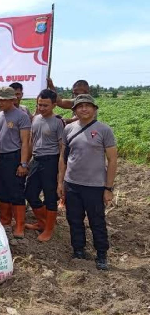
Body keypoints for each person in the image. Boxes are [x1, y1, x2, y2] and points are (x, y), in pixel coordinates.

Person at [58, 94, 117, 270]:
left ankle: (101, 254)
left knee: (96, 221)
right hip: (72, 183)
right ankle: (78, 250)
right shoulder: (68, 129)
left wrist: (108, 188)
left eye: (88, 105)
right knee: (74, 219)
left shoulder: (104, 130)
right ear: (74, 110)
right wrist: (61, 183)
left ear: (94, 109)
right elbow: (63, 158)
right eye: (80, 106)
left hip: (95, 186)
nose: (84, 109)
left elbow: (112, 160)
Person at [0, 87, 31, 238]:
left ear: (12, 100)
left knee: (16, 191)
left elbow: (25, 142)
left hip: (14, 157)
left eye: (4, 100)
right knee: (1, 189)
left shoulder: (21, 116)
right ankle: (5, 220)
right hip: (0, 157)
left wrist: (23, 163)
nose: (1, 103)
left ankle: (19, 225)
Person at [24, 89, 64, 242]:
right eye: (39, 104)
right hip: (36, 160)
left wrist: (61, 172)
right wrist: (26, 162)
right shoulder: (35, 119)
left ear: (54, 105)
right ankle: (43, 222)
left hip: (51, 162)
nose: (41, 108)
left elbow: (62, 147)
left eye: (45, 106)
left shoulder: (58, 122)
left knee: (50, 197)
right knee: (30, 193)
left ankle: (49, 229)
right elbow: (31, 142)